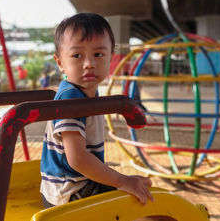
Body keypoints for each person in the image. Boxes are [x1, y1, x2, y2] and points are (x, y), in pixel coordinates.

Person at [40, 13, 153, 208]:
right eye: (77, 55)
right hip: (69, 192)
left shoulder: (88, 93)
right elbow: (77, 159)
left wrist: (122, 180)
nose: (89, 64)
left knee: (143, 198)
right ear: (60, 63)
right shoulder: (71, 98)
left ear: (111, 57)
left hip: (76, 184)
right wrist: (122, 181)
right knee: (141, 208)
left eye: (98, 54)